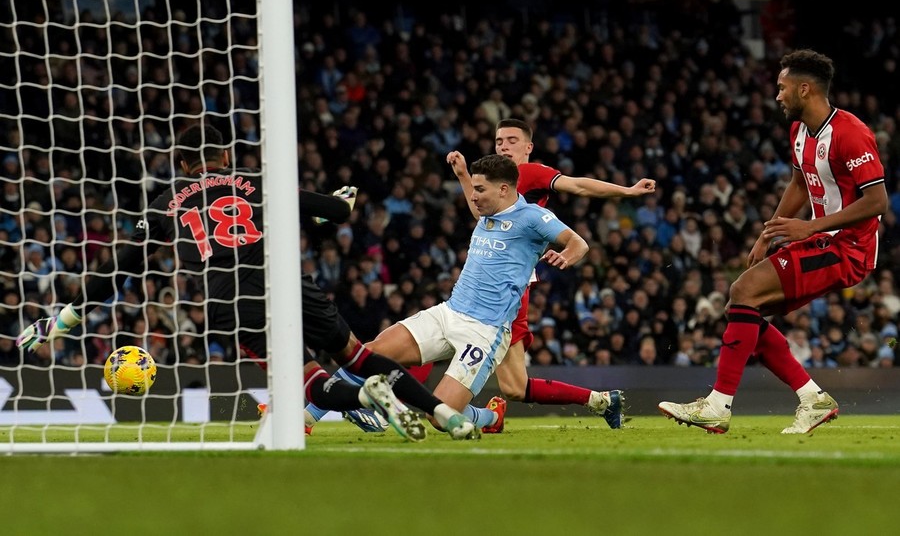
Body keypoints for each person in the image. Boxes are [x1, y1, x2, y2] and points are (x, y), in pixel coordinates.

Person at [16, 124, 476, 442]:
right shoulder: (255, 181)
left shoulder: (165, 203)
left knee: (307, 381)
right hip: (289, 284)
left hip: (232, 299)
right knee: (358, 354)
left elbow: (122, 265)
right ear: (225, 158)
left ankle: (360, 396)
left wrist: (68, 317)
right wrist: (336, 202)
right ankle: (443, 415)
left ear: (181, 162)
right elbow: (336, 215)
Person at [659, 49, 887, 434]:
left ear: (804, 89)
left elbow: (877, 201)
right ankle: (813, 398)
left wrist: (810, 228)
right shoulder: (799, 131)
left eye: (782, 88)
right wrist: (769, 232)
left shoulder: (851, 133)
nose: (777, 96)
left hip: (849, 248)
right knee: (744, 305)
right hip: (825, 240)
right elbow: (800, 182)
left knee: (744, 290)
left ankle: (718, 405)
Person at [310, 154, 591, 432]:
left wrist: (566, 256)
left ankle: (491, 417)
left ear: (503, 189)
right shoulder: (486, 211)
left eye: (480, 190)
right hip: (448, 313)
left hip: (485, 331)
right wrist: (462, 175)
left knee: (438, 416)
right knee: (368, 353)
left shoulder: (533, 217)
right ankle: (307, 418)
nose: (474, 196)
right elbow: (475, 198)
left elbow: (578, 243)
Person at [426, 118, 655, 432]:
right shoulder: (496, 181)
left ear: (528, 147)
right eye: (498, 141)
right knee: (514, 387)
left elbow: (577, 185)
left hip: (507, 290)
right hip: (499, 285)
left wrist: (626, 192)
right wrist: (465, 176)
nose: (504, 146)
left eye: (511, 140)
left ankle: (437, 404)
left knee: (463, 347)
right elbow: (479, 214)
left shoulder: (528, 173)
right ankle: (601, 401)